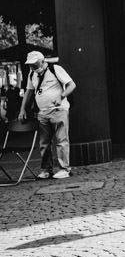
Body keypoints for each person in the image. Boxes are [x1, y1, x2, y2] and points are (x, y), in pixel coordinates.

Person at [18, 51, 76, 180]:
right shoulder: (32, 74)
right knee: (44, 143)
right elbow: (29, 92)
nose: (33, 67)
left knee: (61, 140)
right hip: (42, 112)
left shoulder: (55, 69)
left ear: (43, 61)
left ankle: (64, 168)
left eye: (35, 64)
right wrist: (22, 109)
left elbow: (72, 85)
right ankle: (46, 169)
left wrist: (61, 97)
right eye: (31, 65)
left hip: (58, 109)